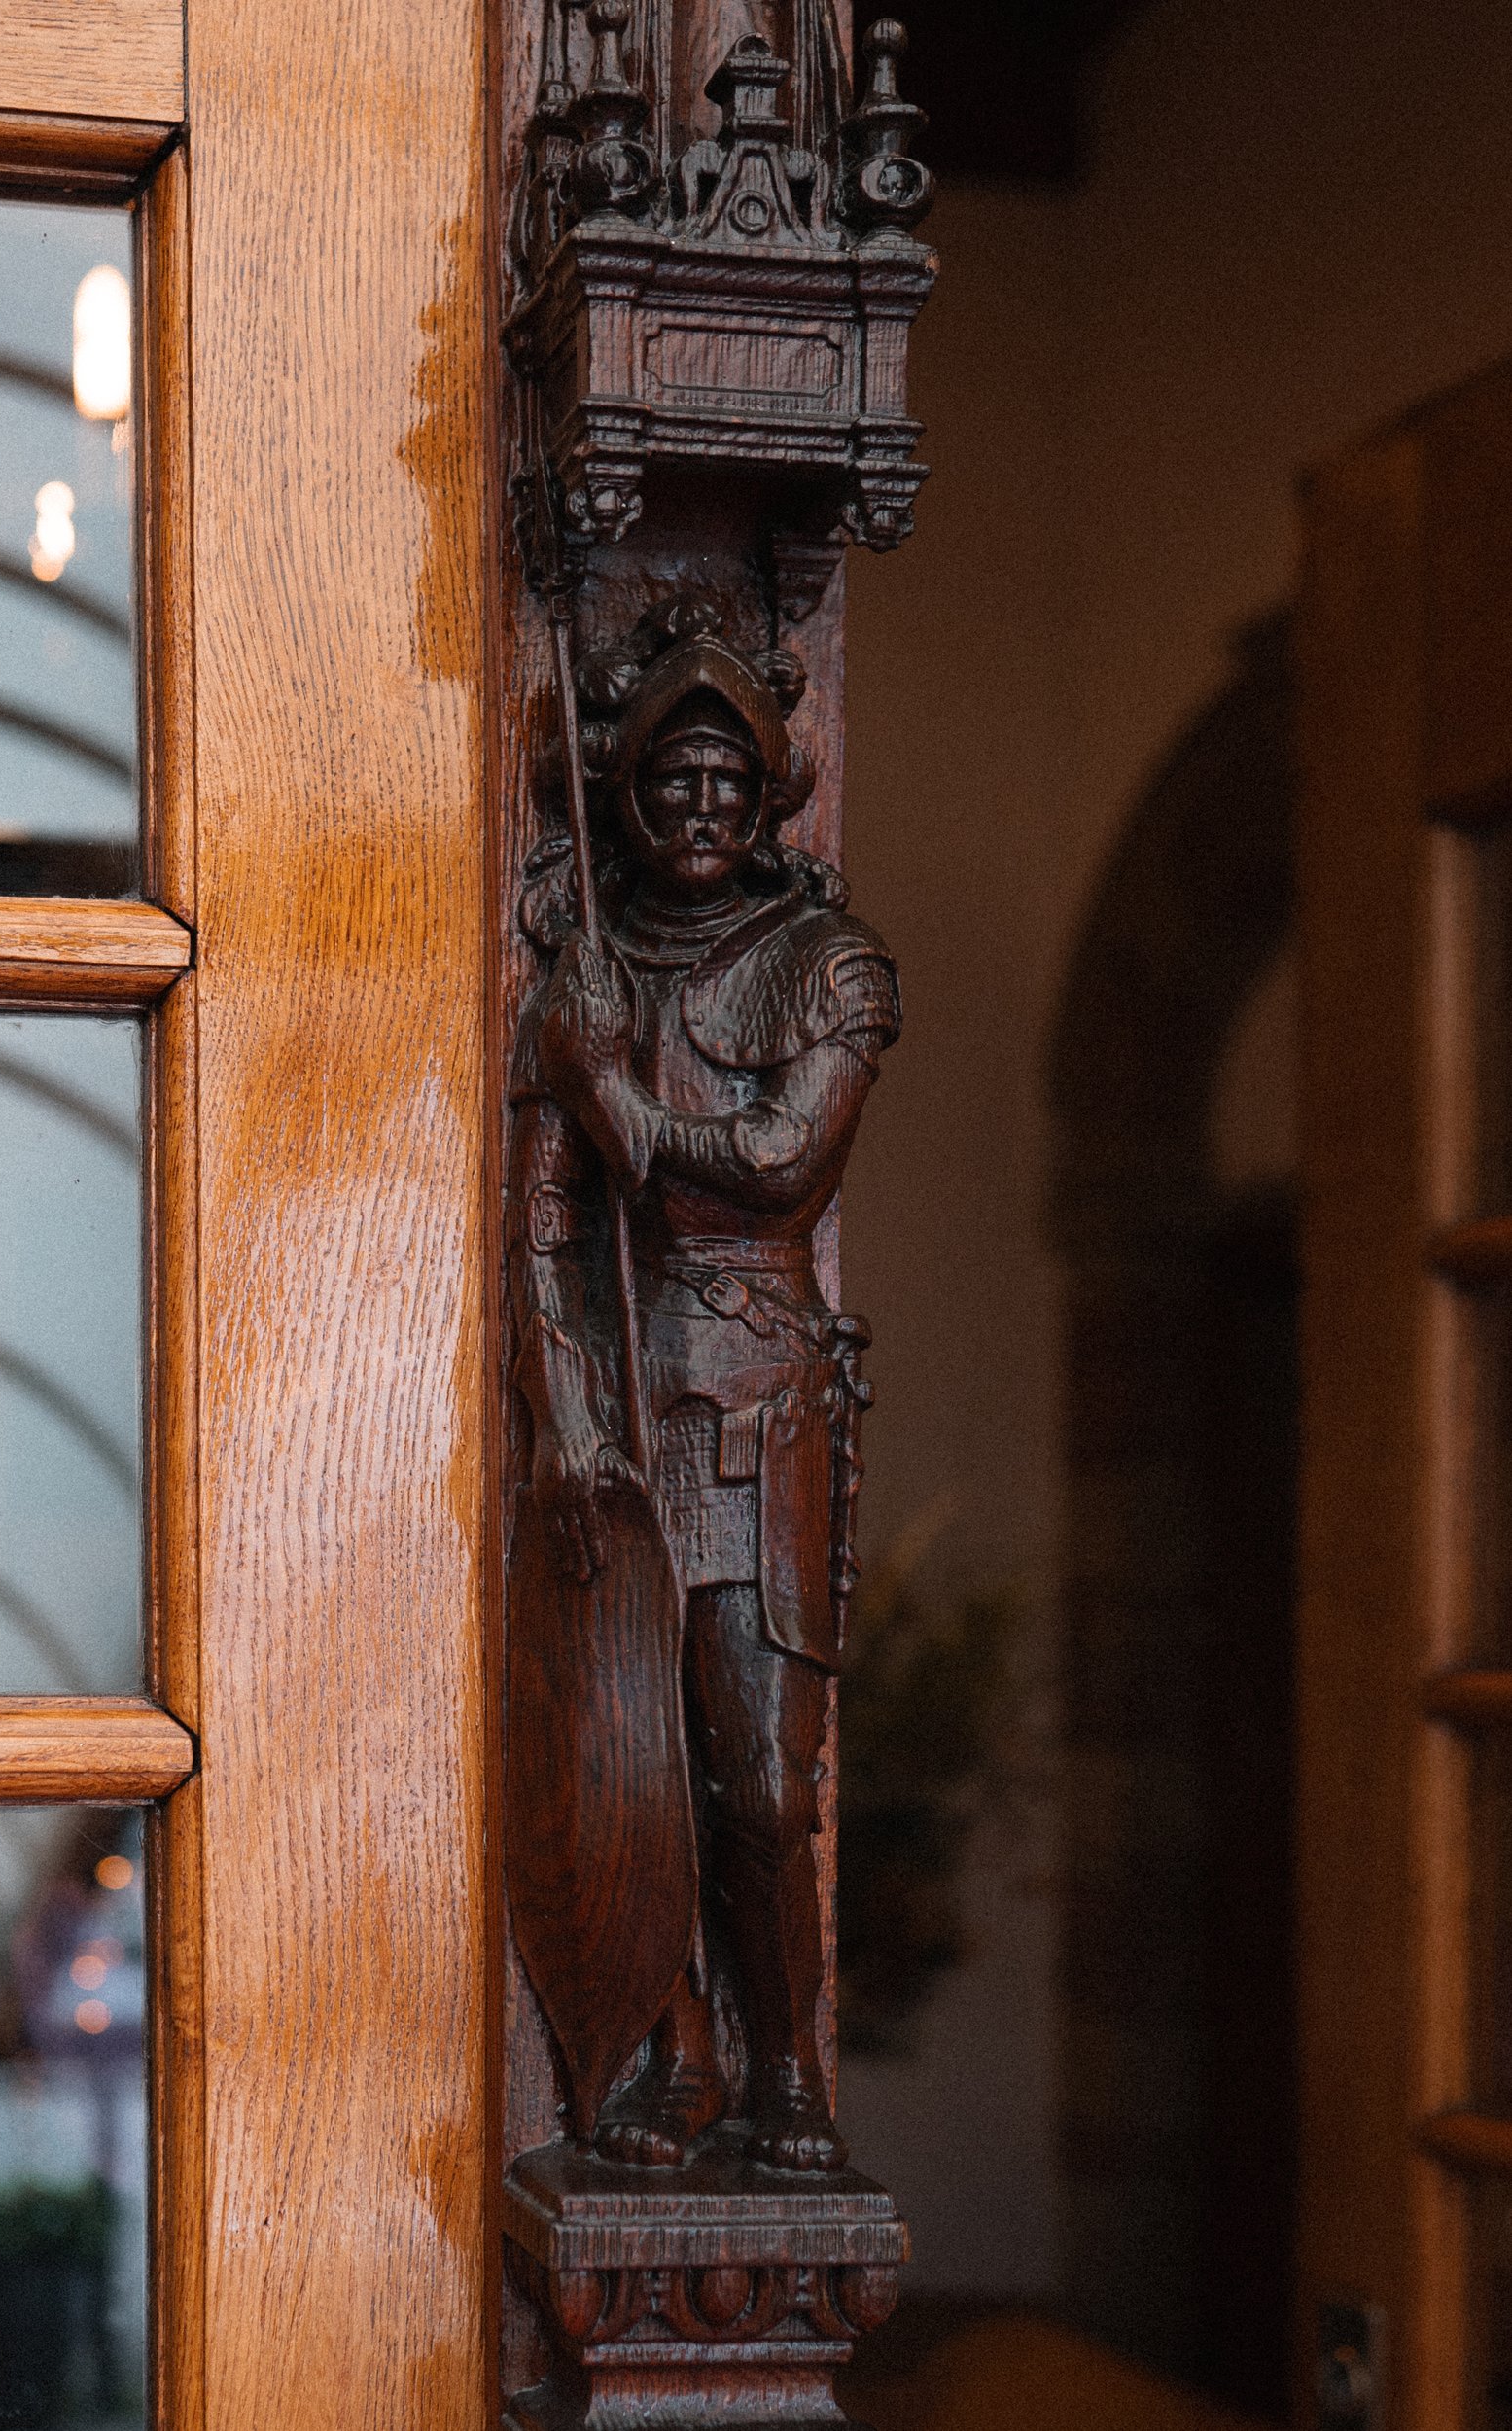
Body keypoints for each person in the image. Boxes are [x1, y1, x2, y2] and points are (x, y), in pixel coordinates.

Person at [508, 597, 900, 2171]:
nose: (697, 809)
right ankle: (667, 2050)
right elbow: (545, 1230)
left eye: (726, 784)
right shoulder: (585, 978)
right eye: (669, 782)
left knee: (754, 1782)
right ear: (625, 795)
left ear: (769, 796)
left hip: (756, 1412)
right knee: (634, 1763)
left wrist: (619, 1100)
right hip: (628, 1415)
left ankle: (783, 2068)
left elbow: (776, 1167)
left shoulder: (826, 969)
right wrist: (574, 1425)